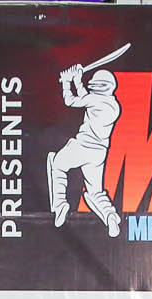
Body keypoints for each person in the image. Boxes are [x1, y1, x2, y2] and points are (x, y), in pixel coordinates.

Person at [47, 64, 122, 236]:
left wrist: (67, 82)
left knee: (56, 164)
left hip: (83, 146)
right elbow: (85, 97)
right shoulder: (113, 105)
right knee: (95, 193)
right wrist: (77, 79)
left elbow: (71, 101)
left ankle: (60, 205)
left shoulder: (95, 100)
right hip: (99, 152)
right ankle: (110, 216)